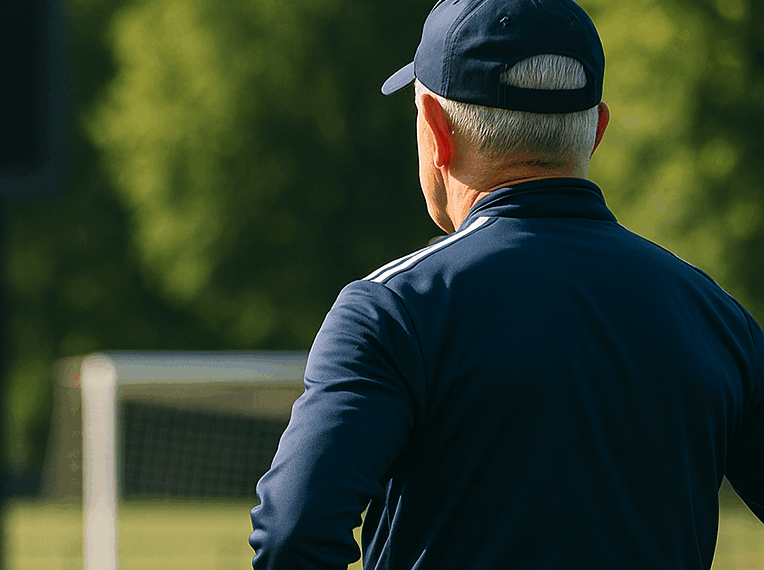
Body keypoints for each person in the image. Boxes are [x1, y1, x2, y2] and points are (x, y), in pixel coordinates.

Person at [248, 0, 764, 568]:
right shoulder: (717, 318)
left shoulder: (394, 311)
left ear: (436, 130)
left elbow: (293, 536)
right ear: (596, 131)